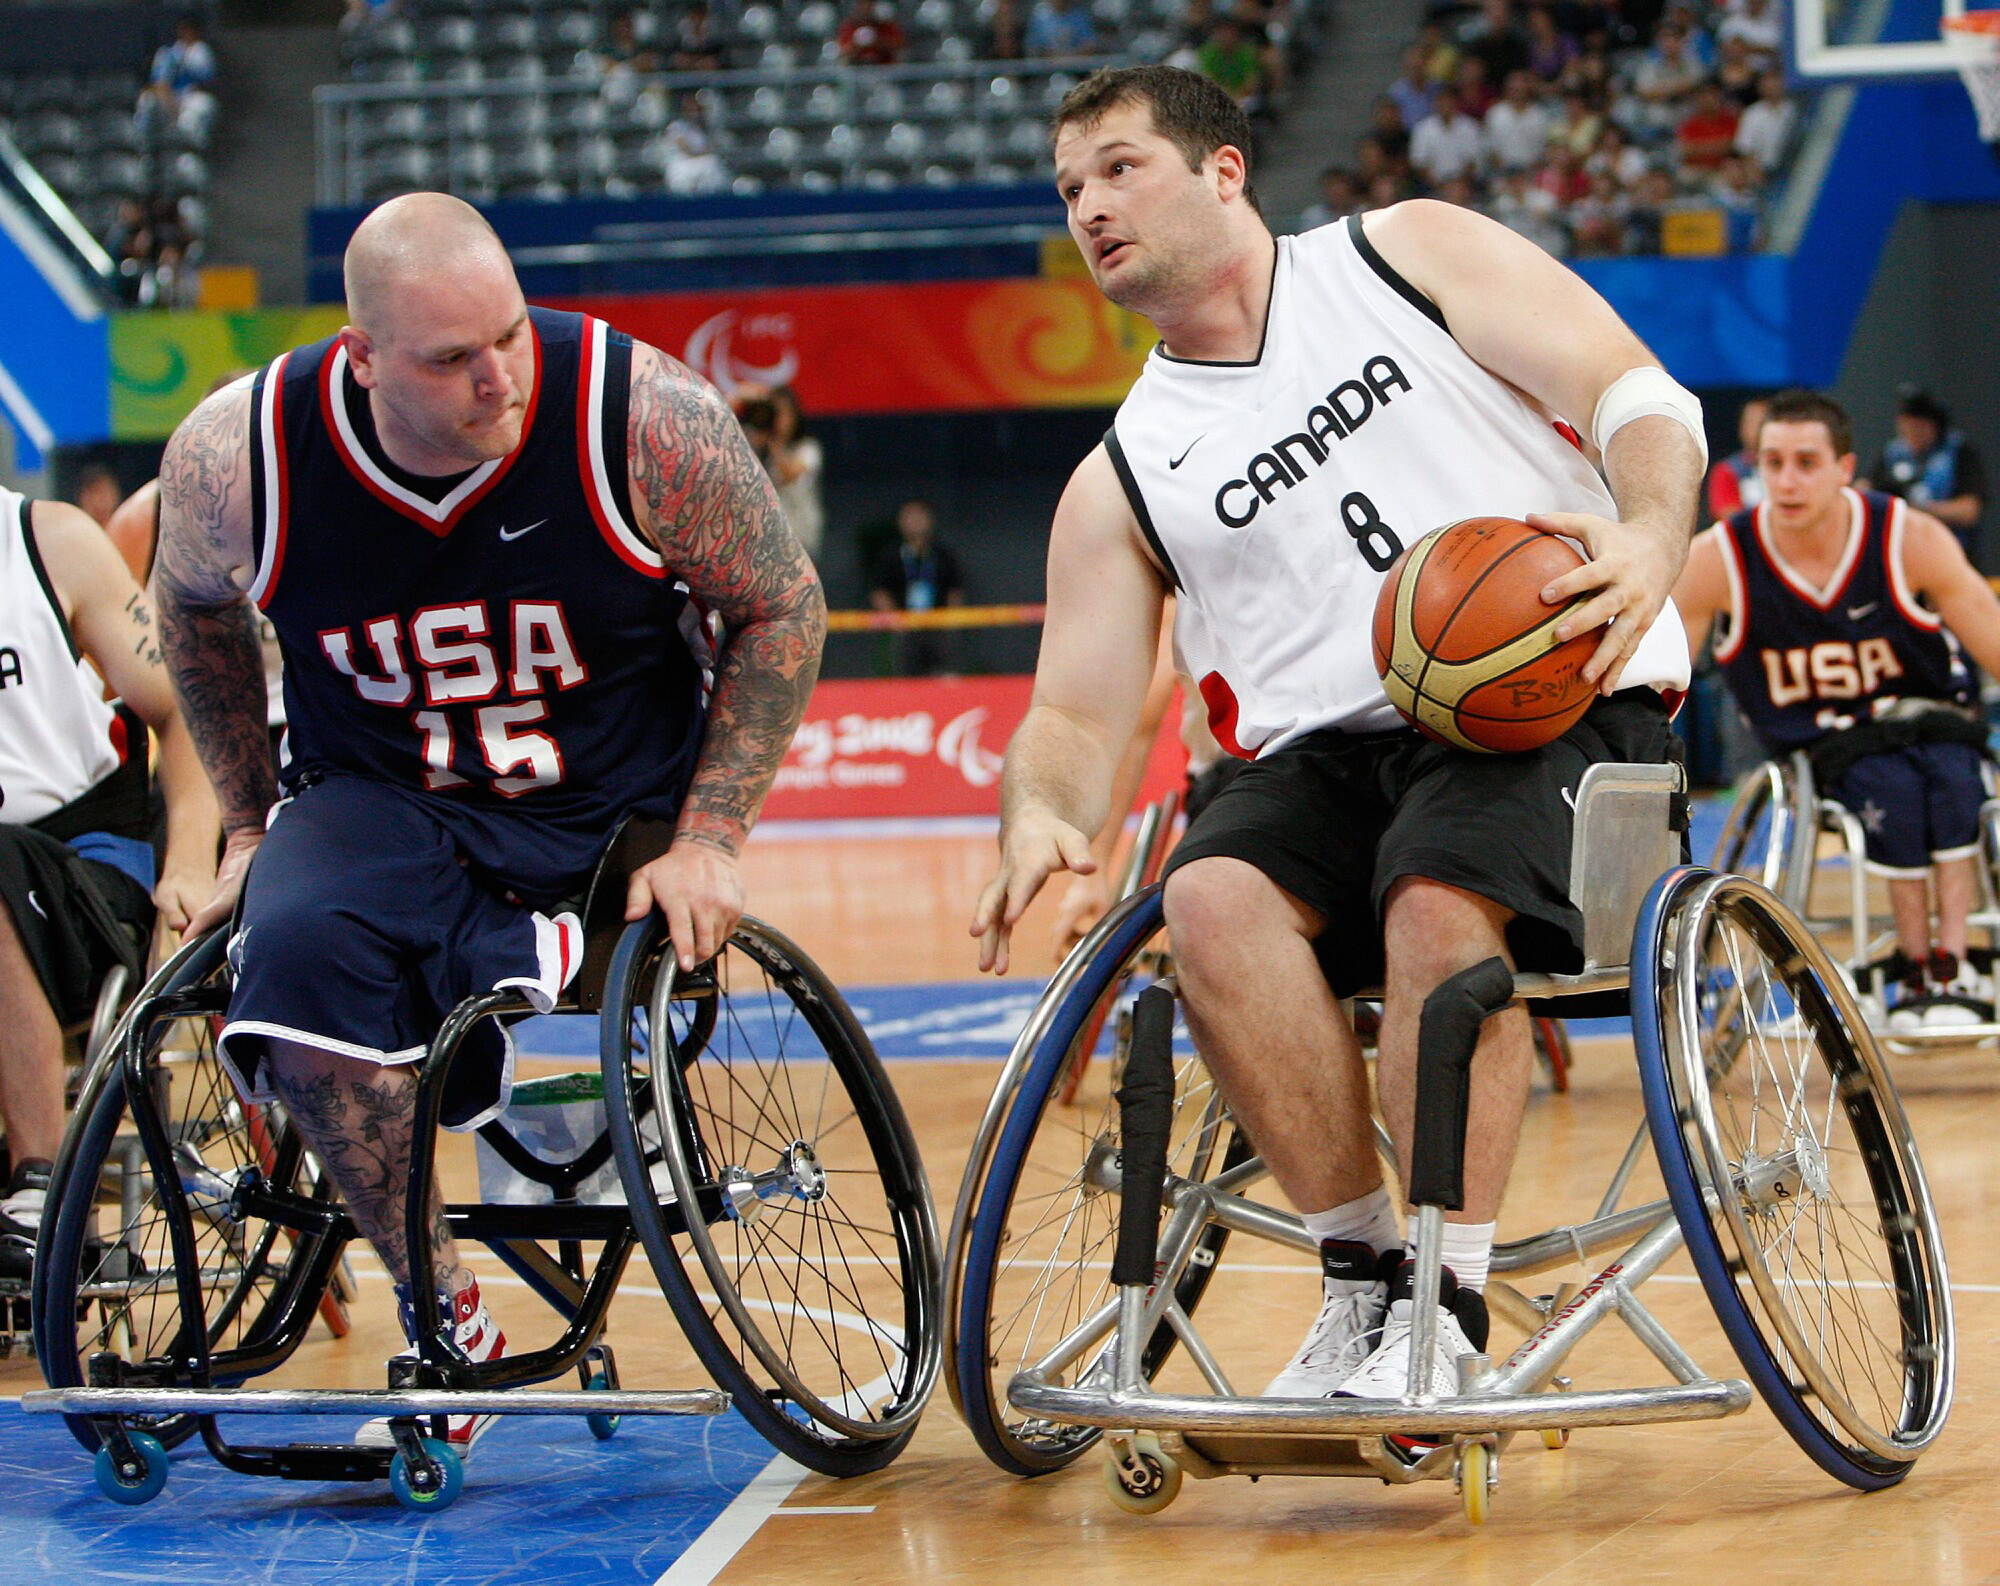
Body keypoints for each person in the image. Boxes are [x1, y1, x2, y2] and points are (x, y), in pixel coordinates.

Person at [974, 65, 1697, 1428]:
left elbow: (1632, 390)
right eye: (1070, 188)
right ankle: (1364, 1268)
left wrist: (1652, 535)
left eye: (1119, 168)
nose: (1088, 206)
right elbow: (1072, 714)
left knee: (1439, 897)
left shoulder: (1406, 253)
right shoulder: (1126, 467)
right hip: (1320, 759)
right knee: (1207, 895)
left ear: (1225, 170)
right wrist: (1039, 811)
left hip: (1546, 694)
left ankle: (1447, 1300)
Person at [154, 193, 824, 1455]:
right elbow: (189, 613)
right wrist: (244, 820)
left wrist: (712, 835)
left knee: (575, 983)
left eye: (508, 336)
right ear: (361, 356)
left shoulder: (637, 415)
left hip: (601, 808)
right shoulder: (238, 453)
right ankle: (439, 1296)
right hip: (378, 804)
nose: (496, 378)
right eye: (450, 359)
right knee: (287, 961)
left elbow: (782, 607)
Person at [1673, 389, 2000, 1030]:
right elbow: (1666, 679)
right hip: (1822, 745)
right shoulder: (1720, 558)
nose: (1787, 481)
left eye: (1805, 462)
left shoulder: (1911, 538)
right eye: (1773, 463)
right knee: (1895, 791)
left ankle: (1951, 965)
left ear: (1844, 468)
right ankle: (1911, 969)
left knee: (1956, 781)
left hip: (1929, 721)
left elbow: (1990, 638)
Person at [0, 492, 219, 1278]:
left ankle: (40, 1180)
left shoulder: (47, 540)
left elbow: (186, 711)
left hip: (79, 868)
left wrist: (189, 863)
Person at [1868, 388, 1987, 564]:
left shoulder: (1959, 452)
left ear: (1934, 426)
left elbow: (1968, 510)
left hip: (1952, 556)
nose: (1912, 433)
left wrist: (1914, 509)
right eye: (1906, 426)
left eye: (1919, 426)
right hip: (1900, 557)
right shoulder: (1892, 453)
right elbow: (1868, 490)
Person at [869, 497, 964, 676]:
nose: (915, 522)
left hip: (938, 627)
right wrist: (895, 620)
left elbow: (955, 591)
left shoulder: (943, 554)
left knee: (945, 677)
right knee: (906, 680)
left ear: (930, 520)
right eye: (909, 517)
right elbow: (879, 592)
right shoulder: (890, 556)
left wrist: (950, 620)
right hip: (906, 629)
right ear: (900, 523)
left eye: (920, 517)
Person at [1706, 395, 1767, 519]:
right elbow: (1729, 519)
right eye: (1750, 422)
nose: (1755, 429)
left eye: (1761, 423)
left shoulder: (1789, 470)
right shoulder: (1726, 470)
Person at [837, 0, 906, 64]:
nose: (867, 9)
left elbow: (899, 49)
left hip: (884, 71)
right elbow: (842, 53)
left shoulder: (888, 27)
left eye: (870, 5)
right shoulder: (849, 28)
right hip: (856, 71)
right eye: (863, 5)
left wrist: (879, 42)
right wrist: (857, 46)